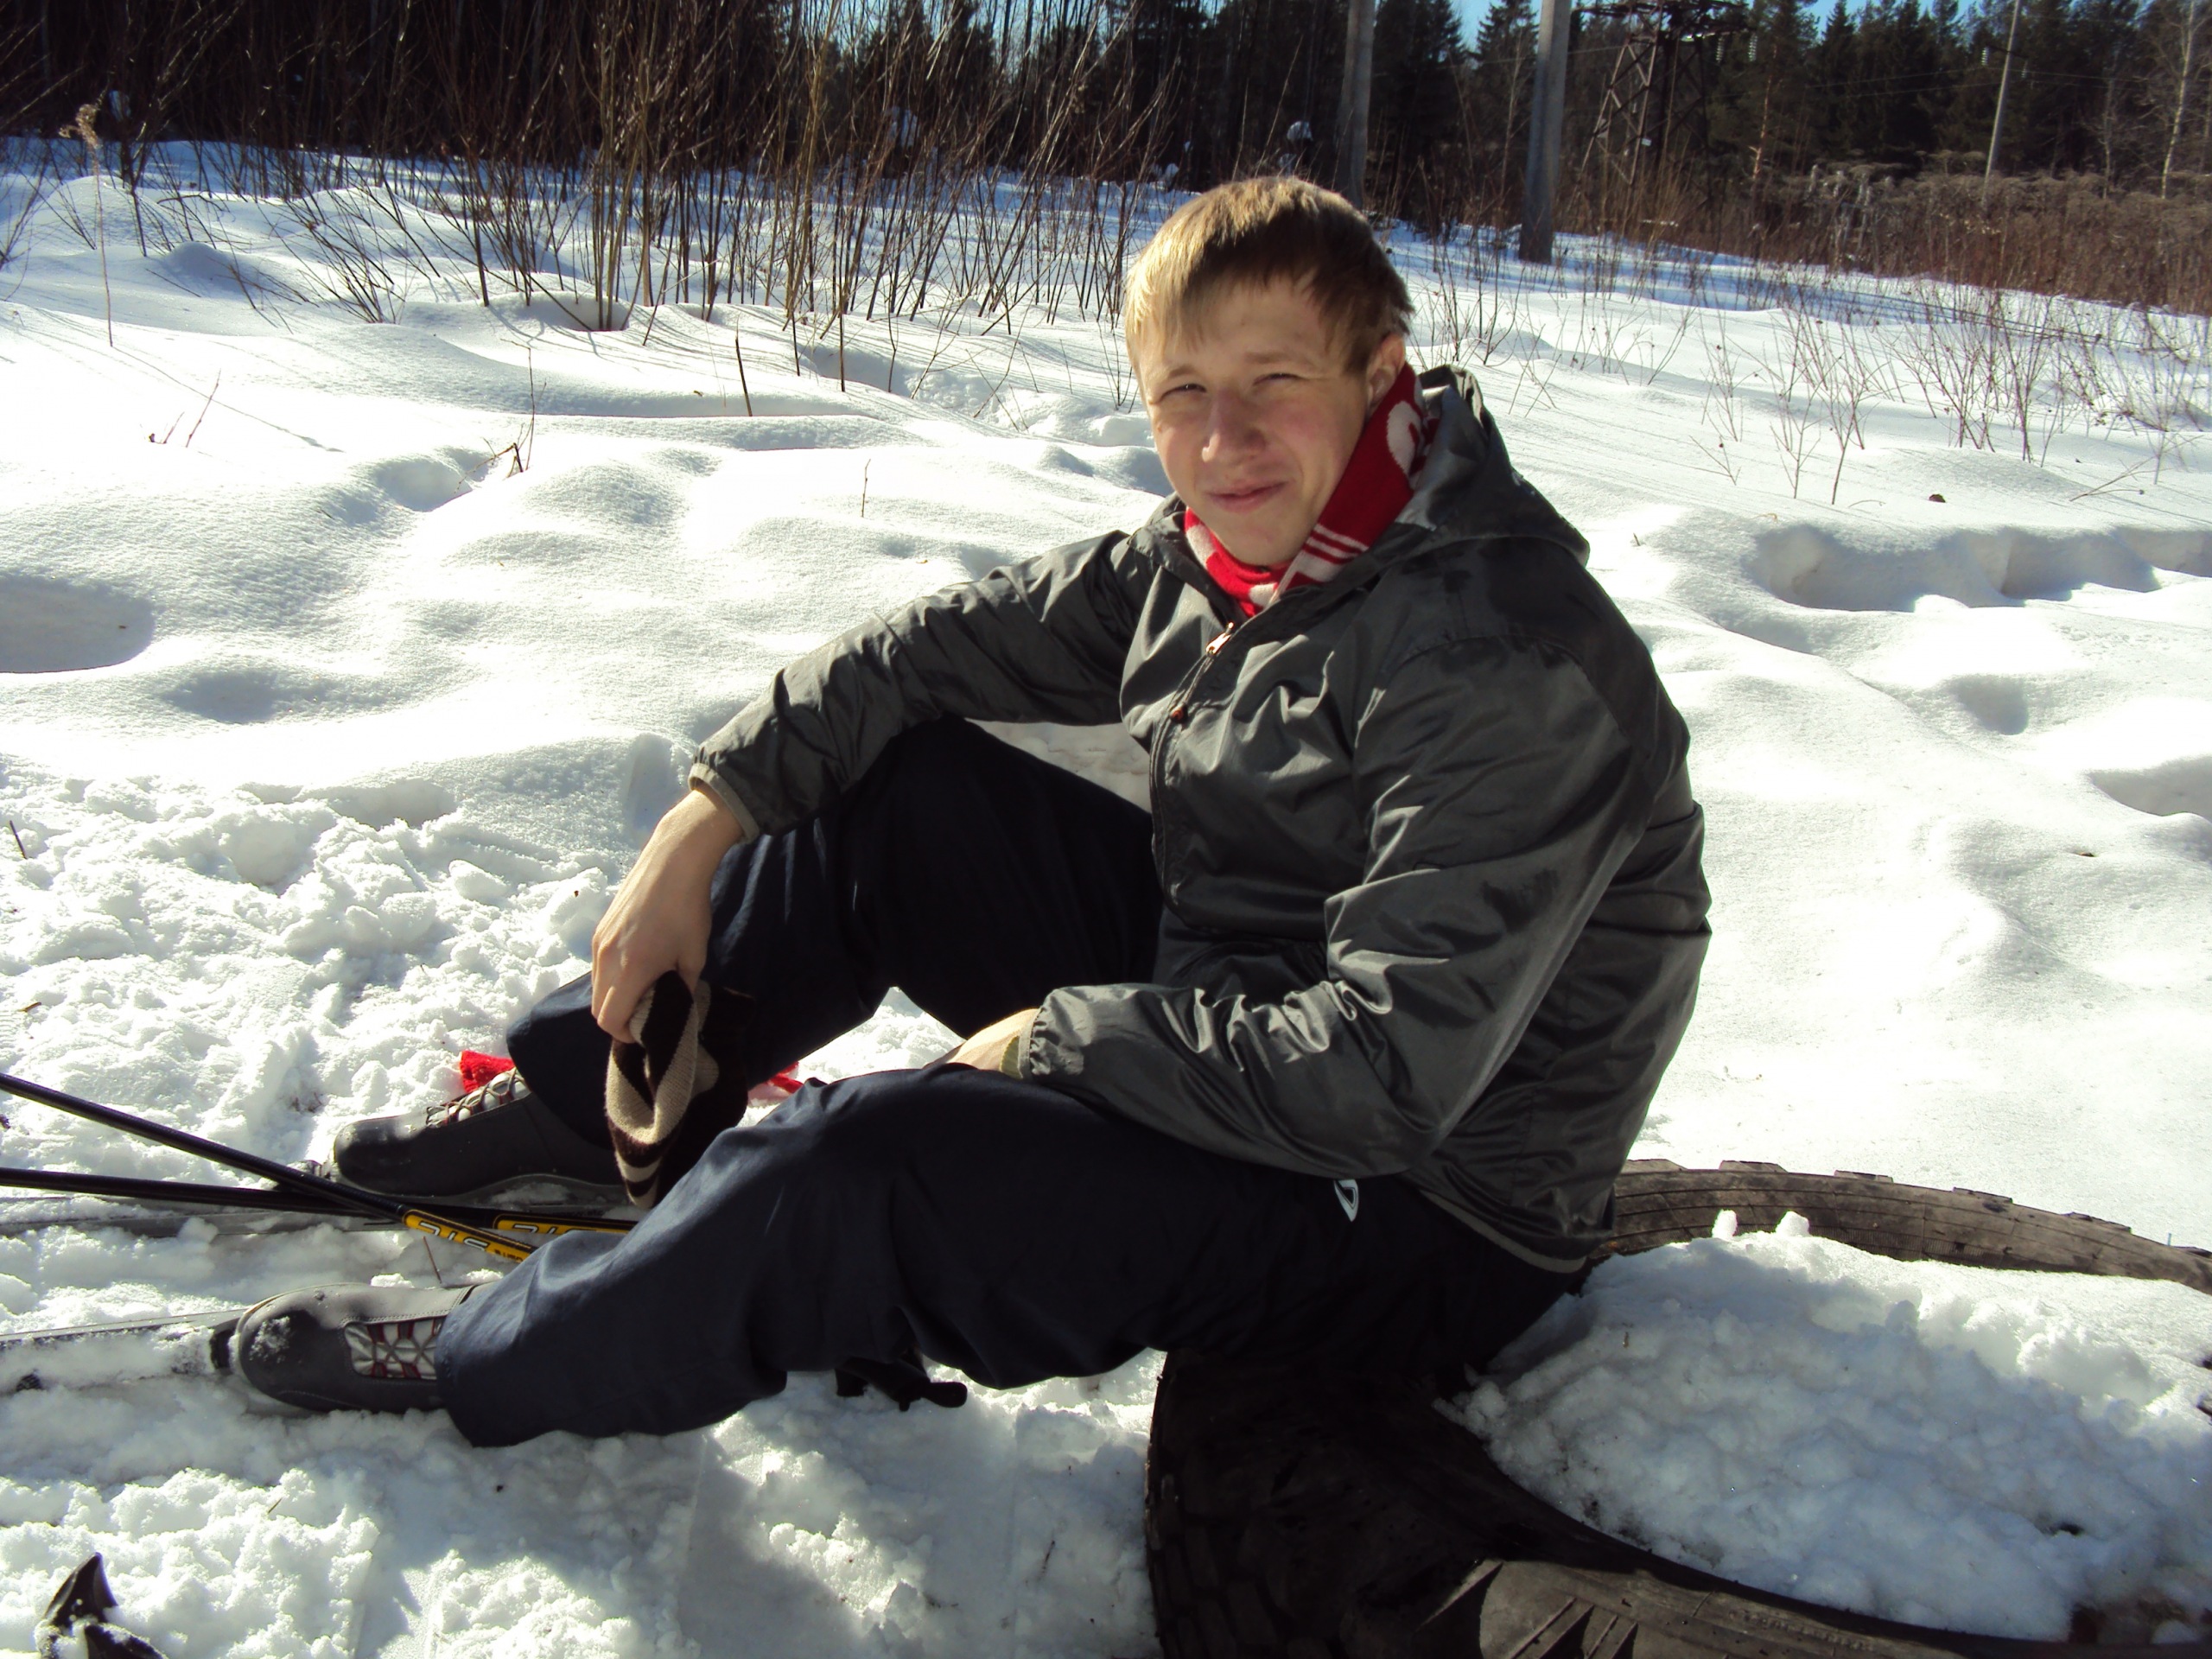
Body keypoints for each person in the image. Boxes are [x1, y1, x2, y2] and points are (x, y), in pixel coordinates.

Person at [234, 178, 1711, 1440]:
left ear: (1381, 373)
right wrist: (703, 820)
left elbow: (1386, 1076)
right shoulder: (1233, 564)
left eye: (1275, 382)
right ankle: (589, 1100)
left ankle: (503, 1351)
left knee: (863, 1169)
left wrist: (1064, 1035)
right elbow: (922, 654)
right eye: (1183, 396)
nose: (1223, 442)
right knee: (905, 799)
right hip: (1247, 1005)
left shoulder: (1506, 658)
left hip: (1419, 1213)